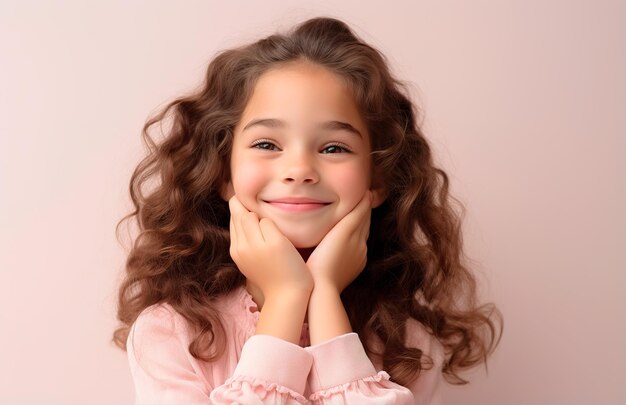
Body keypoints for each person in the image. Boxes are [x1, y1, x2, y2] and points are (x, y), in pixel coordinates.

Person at [113, 16, 502, 404]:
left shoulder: (410, 347)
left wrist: (326, 295)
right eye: (267, 144)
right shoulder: (171, 334)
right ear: (223, 172)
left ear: (378, 178)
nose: (299, 170)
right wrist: (285, 295)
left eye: (334, 148)